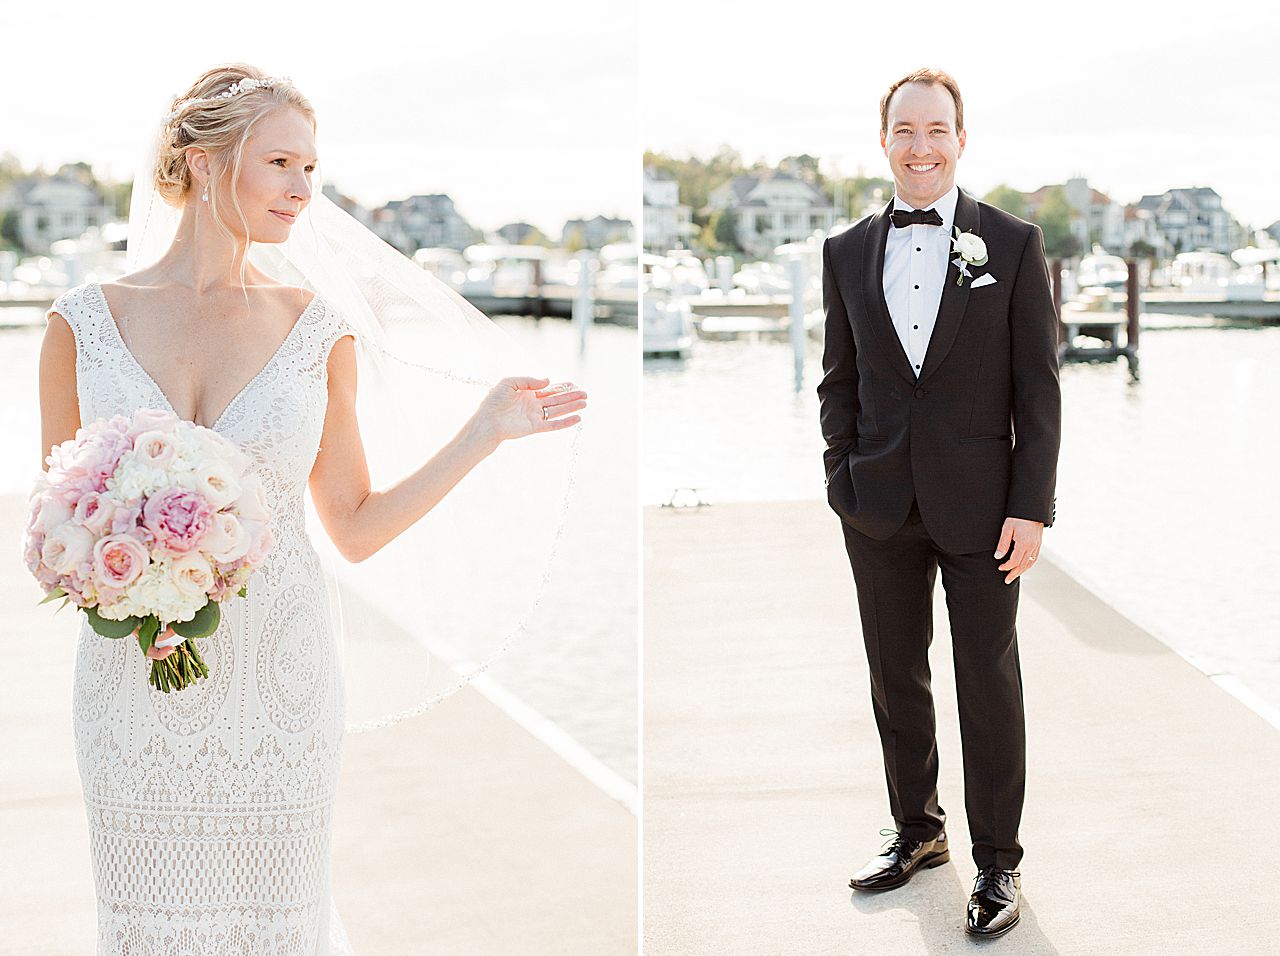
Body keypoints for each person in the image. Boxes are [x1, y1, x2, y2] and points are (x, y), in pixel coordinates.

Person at [37, 64, 586, 952]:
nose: (302, 190)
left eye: (310, 169)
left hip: (280, 679)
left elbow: (355, 527)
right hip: (131, 680)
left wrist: (483, 431)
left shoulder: (316, 330)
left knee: (276, 927)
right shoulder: (82, 324)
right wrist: (119, 567)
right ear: (205, 162)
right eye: (281, 163)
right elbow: (57, 523)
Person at [817, 67, 1061, 939]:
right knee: (895, 675)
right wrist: (842, 478)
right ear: (883, 140)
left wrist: (1031, 505)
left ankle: (997, 862)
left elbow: (1038, 388)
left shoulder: (1015, 243)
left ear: (961, 139)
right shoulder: (844, 251)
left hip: (985, 508)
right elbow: (839, 380)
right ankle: (918, 830)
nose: (921, 147)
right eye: (905, 130)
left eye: (936, 130)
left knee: (987, 680)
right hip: (877, 503)